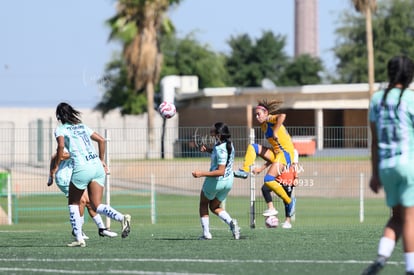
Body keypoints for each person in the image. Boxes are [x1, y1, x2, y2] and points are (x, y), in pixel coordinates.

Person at [50, 102, 131, 247]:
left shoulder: (60, 129)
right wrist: (101, 160)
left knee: (74, 203)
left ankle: (79, 238)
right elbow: (101, 139)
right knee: (96, 204)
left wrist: (55, 166)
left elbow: (61, 146)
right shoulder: (82, 126)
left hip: (82, 168)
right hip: (97, 167)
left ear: (58, 116)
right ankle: (122, 218)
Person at [362, 55, 414, 275]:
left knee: (398, 216)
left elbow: (373, 142)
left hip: (386, 167)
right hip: (408, 164)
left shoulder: (377, 100)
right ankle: (411, 268)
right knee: (411, 218)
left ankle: (382, 258)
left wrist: (374, 174)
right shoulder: (411, 99)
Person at [234, 99, 296, 217]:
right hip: (277, 154)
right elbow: (273, 156)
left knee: (268, 179)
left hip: (286, 154)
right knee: (253, 147)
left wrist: (276, 131)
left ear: (266, 113)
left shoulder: (269, 119)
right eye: (256, 115)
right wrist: (261, 168)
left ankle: (289, 201)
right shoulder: (263, 126)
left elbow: (282, 116)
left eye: (259, 114)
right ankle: (244, 170)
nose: (257, 117)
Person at [47, 150, 118, 238]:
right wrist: (50, 175)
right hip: (64, 178)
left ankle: (102, 229)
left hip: (76, 177)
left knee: (89, 202)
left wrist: (101, 164)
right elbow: (59, 156)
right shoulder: (69, 141)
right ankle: (78, 230)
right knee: (82, 201)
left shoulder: (82, 144)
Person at [192, 122, 240, 240]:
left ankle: (206, 234)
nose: (210, 132)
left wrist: (201, 173)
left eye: (212, 131)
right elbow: (219, 153)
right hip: (228, 182)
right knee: (214, 206)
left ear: (218, 134)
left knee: (203, 204)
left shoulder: (220, 148)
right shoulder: (228, 144)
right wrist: (208, 149)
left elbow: (220, 171)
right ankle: (231, 223)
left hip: (216, 181)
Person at [261, 149, 299, 229]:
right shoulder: (277, 149)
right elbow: (271, 160)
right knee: (265, 188)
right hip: (276, 178)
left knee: (286, 201)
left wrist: (296, 177)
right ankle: (271, 208)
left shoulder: (293, 151)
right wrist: (261, 168)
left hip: (287, 179)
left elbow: (295, 165)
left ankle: (287, 221)